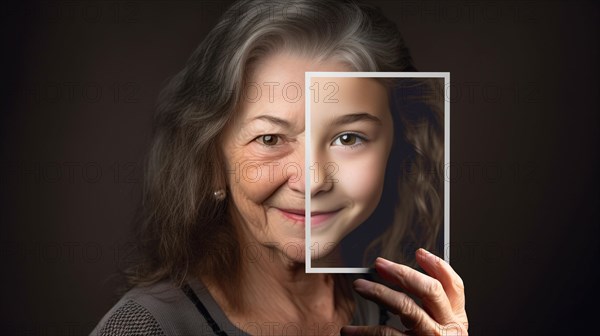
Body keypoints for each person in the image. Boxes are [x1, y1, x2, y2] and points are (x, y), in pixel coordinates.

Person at [91, 0, 468, 335]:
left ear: (396, 148)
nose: (313, 181)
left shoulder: (409, 316)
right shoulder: (147, 327)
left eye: (349, 138)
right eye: (270, 139)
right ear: (212, 162)